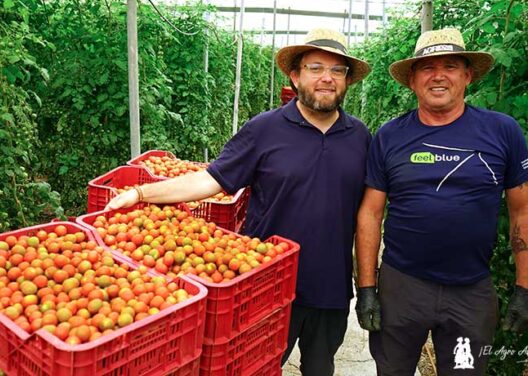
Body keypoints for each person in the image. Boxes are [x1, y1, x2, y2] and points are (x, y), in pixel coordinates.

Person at [105, 27, 372, 375]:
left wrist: (368, 285)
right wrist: (141, 193)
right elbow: (212, 179)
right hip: (265, 285)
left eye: (337, 71)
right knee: (258, 365)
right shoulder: (265, 129)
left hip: (330, 288)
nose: (327, 78)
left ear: (348, 80)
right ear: (295, 75)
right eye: (315, 68)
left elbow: (371, 211)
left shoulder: (360, 136)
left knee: (321, 367)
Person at [354, 27, 528, 376]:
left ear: (467, 76)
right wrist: (367, 288)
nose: (438, 76)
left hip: (471, 292)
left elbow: (522, 210)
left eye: (450, 66)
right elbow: (371, 214)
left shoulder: (502, 131)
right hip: (402, 288)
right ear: (413, 80)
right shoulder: (390, 135)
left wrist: (525, 287)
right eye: (427, 68)